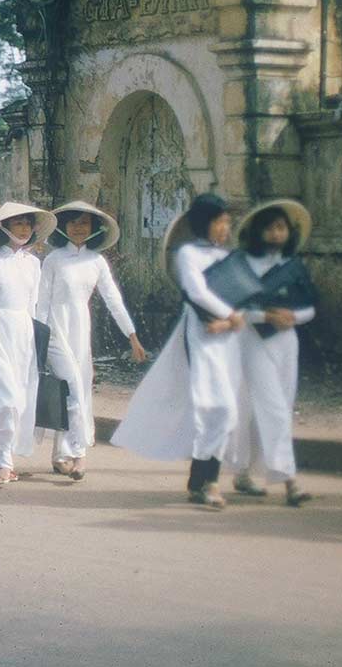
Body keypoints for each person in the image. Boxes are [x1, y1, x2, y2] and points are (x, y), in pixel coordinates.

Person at [112, 194, 244, 510]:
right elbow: (196, 292)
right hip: (200, 336)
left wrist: (234, 318)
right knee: (219, 408)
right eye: (219, 221)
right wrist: (229, 314)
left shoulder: (227, 256)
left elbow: (243, 291)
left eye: (227, 221)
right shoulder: (189, 254)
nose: (225, 227)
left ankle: (200, 478)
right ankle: (208, 481)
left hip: (228, 338)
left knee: (224, 410)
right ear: (204, 223)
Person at [38, 201, 146, 481]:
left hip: (80, 331)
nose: (77, 228)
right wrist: (38, 337)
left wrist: (132, 336)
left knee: (77, 390)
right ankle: (79, 453)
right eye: (72, 222)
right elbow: (41, 302)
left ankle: (59, 456)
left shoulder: (96, 262)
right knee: (72, 386)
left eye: (84, 223)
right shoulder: (53, 260)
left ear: (93, 228)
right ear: (63, 227)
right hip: (54, 331)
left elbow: (113, 300)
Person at [226, 200, 316, 507]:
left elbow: (310, 307)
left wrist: (293, 318)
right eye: (269, 227)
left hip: (286, 342)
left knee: (266, 408)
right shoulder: (241, 264)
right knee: (273, 407)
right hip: (252, 341)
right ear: (257, 231)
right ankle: (290, 481)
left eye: (280, 228)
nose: (275, 234)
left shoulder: (294, 266)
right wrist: (266, 317)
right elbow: (232, 307)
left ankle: (242, 471)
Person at [0, 202, 57, 486]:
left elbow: (35, 304)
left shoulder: (33, 263)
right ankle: (3, 463)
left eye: (27, 223)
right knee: (4, 398)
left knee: (19, 399)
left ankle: (0, 456)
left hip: (23, 333)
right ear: (4, 227)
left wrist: (40, 339)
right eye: (17, 223)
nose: (23, 228)